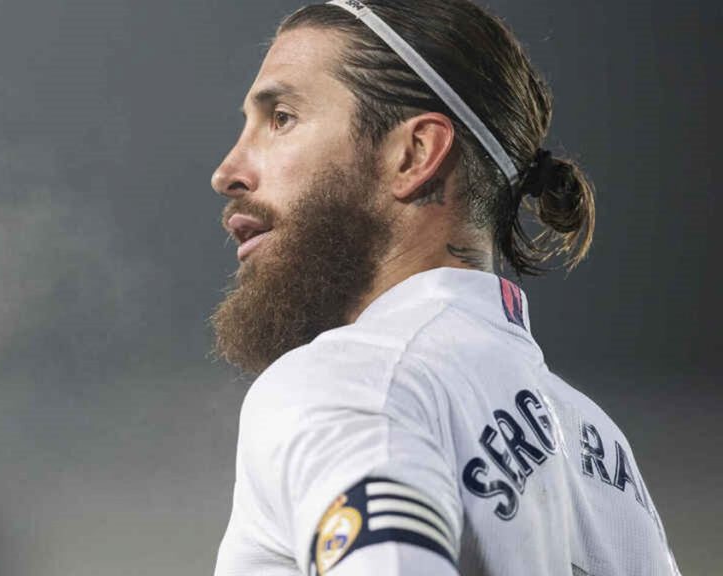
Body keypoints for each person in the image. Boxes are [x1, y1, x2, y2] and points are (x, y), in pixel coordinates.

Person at [208, 1, 681, 575]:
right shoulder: (602, 449)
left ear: (414, 154)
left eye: (281, 118)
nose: (228, 171)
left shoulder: (354, 382)